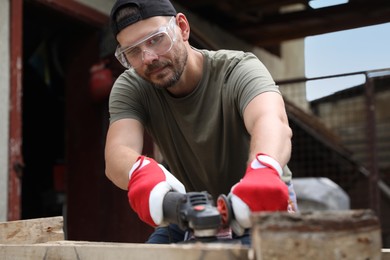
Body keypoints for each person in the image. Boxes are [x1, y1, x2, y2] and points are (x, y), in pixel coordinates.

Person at [105, 0, 297, 245]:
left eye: (155, 39)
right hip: (190, 208)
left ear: (183, 28)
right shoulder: (132, 87)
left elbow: (271, 120)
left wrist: (265, 168)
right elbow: (117, 153)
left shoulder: (238, 68)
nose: (148, 58)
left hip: (257, 203)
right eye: (133, 51)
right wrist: (139, 171)